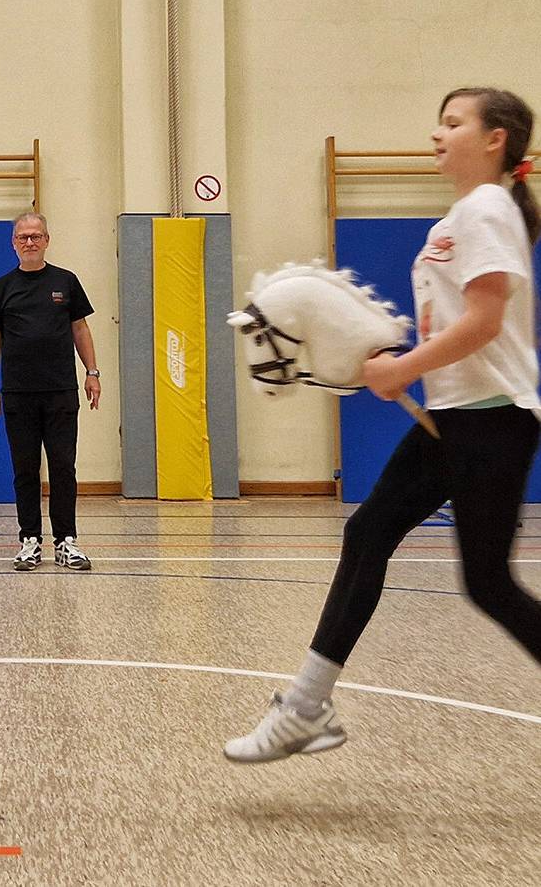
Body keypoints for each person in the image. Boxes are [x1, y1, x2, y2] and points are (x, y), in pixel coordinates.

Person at [226, 87, 541, 763]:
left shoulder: (486, 208)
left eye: (454, 122)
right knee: (380, 539)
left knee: (483, 580)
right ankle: (307, 708)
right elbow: (462, 324)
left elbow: (484, 323)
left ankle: (306, 707)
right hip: (462, 417)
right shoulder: (470, 212)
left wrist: (403, 372)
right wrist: (394, 362)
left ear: (495, 141)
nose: (437, 133)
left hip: (490, 421)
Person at [0, 211, 101, 571]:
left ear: (46, 240)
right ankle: (30, 540)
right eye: (23, 237)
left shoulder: (66, 281)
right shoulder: (2, 287)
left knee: (63, 467)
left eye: (36, 236)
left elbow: (80, 330)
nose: (30, 242)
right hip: (18, 393)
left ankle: (67, 542)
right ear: (14, 243)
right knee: (25, 469)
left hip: (61, 391)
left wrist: (92, 372)